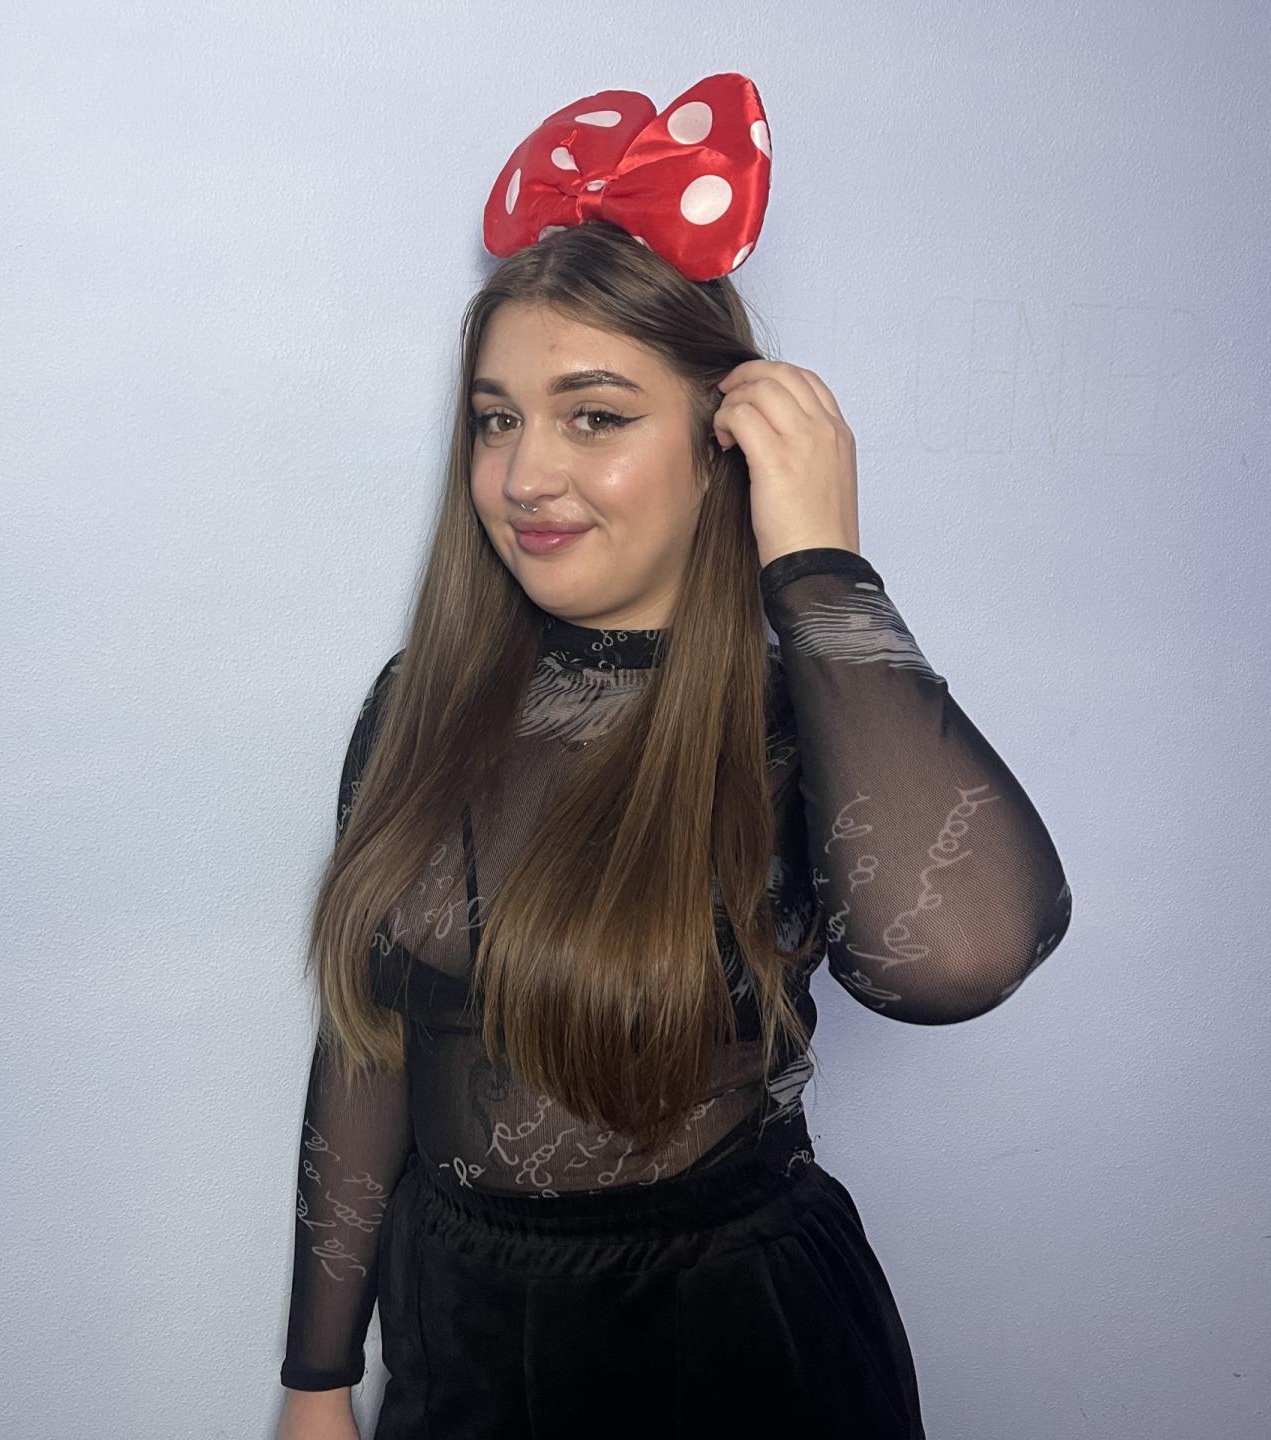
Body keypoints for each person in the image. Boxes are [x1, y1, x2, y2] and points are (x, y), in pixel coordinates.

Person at [274, 74, 1073, 1440]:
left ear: (722, 445)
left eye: (594, 415)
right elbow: (368, 1044)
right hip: (458, 1348)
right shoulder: (417, 707)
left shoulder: (802, 721)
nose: (525, 475)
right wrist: (317, 1378)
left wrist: (817, 564)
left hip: (733, 1354)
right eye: (496, 418)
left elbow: (962, 957)